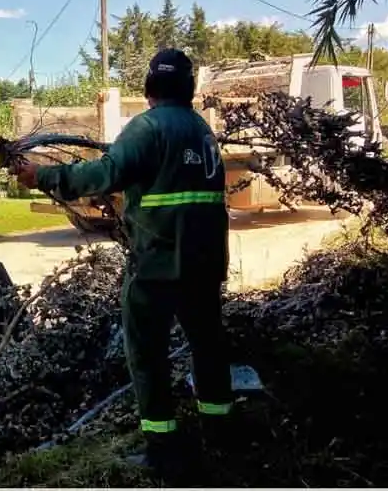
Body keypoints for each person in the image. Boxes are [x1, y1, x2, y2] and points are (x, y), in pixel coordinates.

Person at [12, 48, 234, 485]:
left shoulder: (147, 127)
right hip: (205, 264)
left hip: (158, 265)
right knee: (208, 345)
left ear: (150, 88)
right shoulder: (202, 131)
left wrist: (43, 176)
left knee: (147, 354)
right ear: (188, 89)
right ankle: (221, 430)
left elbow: (105, 175)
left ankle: (162, 450)